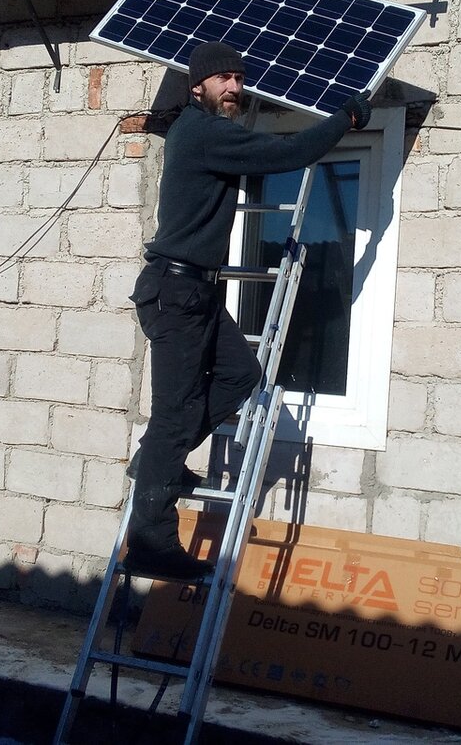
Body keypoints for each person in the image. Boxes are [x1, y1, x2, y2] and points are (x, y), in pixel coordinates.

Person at [124, 41, 372, 579]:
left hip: (196, 292)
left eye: (239, 79)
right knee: (173, 413)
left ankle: (159, 460)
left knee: (241, 373)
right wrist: (346, 118)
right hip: (176, 292)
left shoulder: (206, 131)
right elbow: (287, 154)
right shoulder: (202, 132)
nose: (234, 87)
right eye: (224, 79)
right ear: (198, 87)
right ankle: (150, 542)